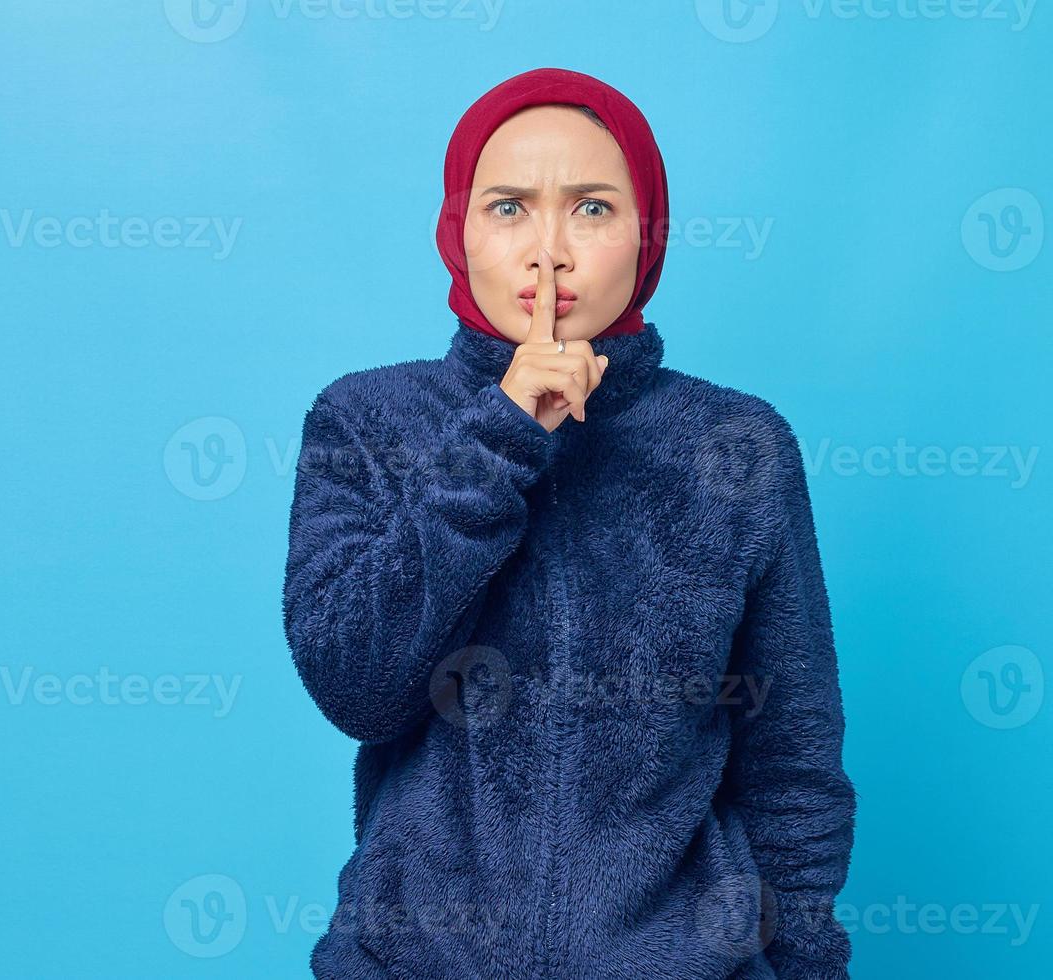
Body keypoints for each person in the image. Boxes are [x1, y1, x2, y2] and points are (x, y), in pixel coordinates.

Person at [282, 66, 856, 980]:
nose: (549, 250)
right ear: (457, 230)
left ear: (646, 236)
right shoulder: (367, 423)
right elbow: (358, 686)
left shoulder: (737, 445)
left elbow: (792, 760)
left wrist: (810, 970)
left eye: (591, 209)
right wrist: (499, 439)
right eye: (509, 208)